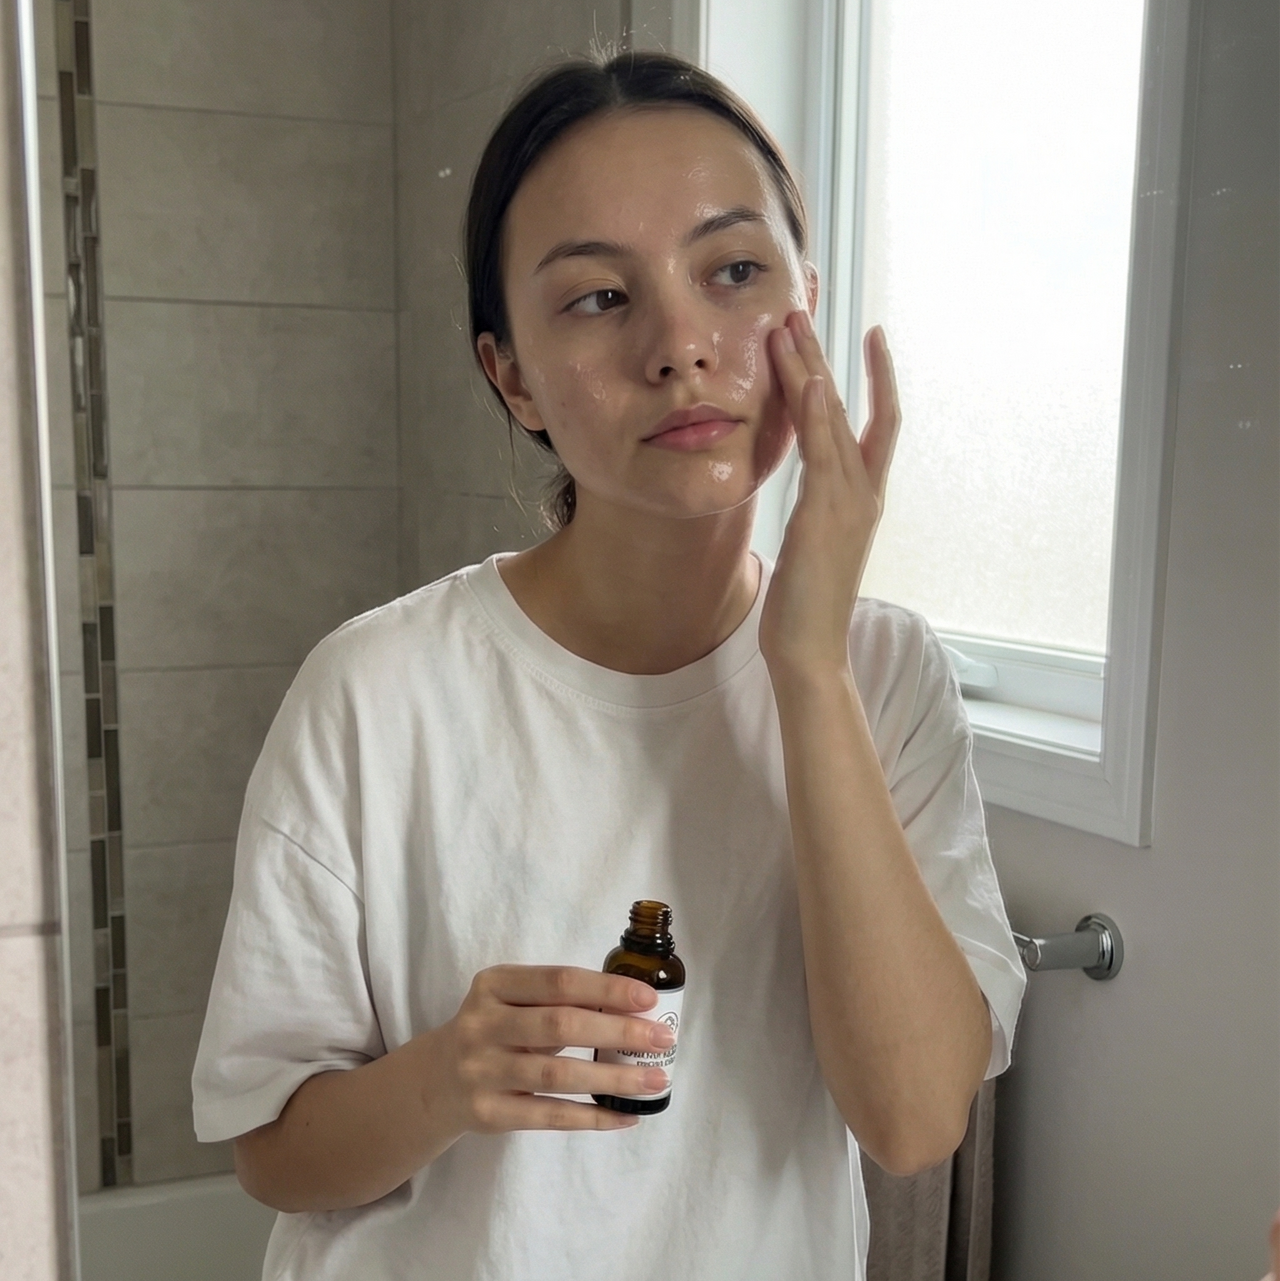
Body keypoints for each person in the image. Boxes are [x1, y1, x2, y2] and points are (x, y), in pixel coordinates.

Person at [192, 49, 1025, 1281]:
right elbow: (272, 1154)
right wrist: (446, 1078)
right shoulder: (376, 692)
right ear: (511, 374)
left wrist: (804, 667)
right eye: (597, 298)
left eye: (733, 272)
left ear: (804, 297)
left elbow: (910, 1123)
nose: (682, 345)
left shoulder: (881, 675)